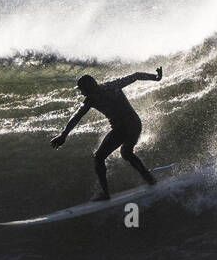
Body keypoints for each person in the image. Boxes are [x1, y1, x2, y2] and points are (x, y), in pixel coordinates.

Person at [51, 68, 163, 199]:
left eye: (82, 89)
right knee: (126, 153)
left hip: (122, 128)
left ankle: (105, 193)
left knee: (100, 157)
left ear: (88, 88)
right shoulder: (112, 85)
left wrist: (64, 135)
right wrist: (156, 77)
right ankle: (149, 179)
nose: (81, 92)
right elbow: (136, 76)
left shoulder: (90, 99)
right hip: (134, 123)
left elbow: (76, 116)